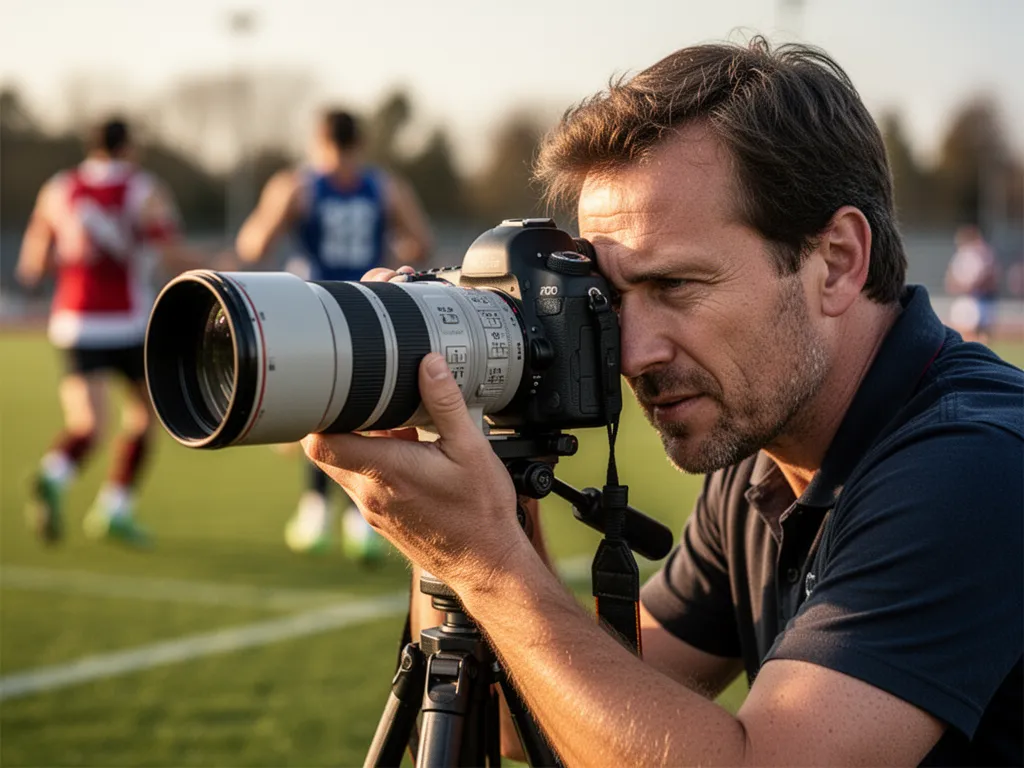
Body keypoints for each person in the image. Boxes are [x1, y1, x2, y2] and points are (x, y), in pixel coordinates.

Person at [302, 38, 1023, 766]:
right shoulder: (764, 465)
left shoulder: (973, 465)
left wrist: (485, 561)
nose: (633, 353)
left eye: (674, 286)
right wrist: (464, 456)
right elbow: (536, 712)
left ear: (836, 261)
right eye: (611, 298)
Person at [235, 108, 433, 558]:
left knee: (319, 409)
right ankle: (361, 521)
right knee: (366, 409)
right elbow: (421, 243)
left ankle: (316, 512)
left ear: (318, 140)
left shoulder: (298, 185)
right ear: (359, 142)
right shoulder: (384, 187)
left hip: (314, 311)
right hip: (369, 310)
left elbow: (253, 244)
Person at [16, 117, 204, 546]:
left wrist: (74, 260)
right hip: (127, 322)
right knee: (145, 414)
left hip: (74, 321)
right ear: (128, 147)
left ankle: (54, 474)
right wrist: (216, 264)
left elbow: (32, 265)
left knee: (87, 425)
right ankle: (114, 508)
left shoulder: (58, 188)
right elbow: (169, 250)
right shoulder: (142, 188)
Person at [945, 224, 1000, 343]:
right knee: (965, 332)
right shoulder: (962, 256)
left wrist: (973, 286)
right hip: (966, 298)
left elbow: (990, 277)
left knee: (981, 332)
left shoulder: (983, 255)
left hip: (979, 297)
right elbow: (951, 278)